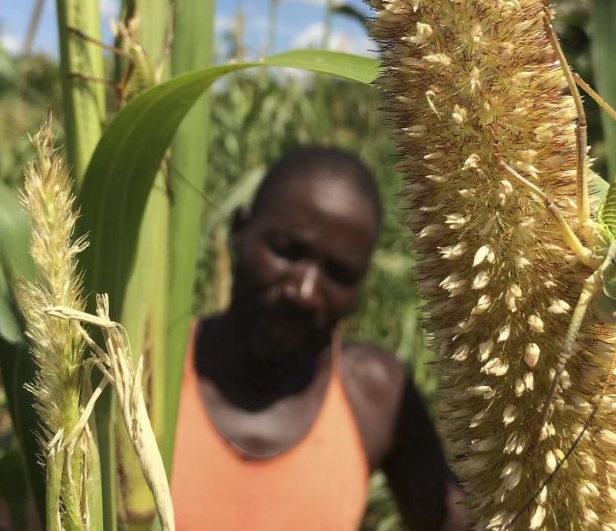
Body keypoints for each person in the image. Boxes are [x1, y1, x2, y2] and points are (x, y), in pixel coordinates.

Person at [171, 146, 467, 530]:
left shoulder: (375, 395)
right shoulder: (148, 371)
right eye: (287, 252)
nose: (305, 292)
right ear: (240, 230)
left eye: (339, 273)